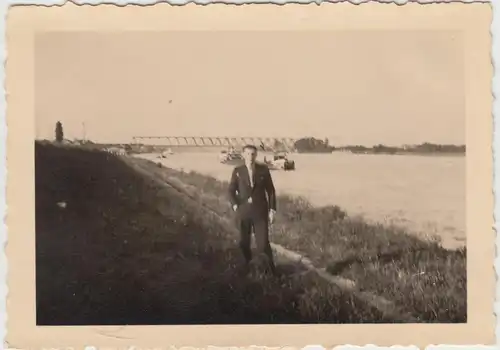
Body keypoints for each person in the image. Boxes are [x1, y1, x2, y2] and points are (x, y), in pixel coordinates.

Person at [228, 144, 277, 275]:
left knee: (263, 244)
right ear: (243, 155)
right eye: (248, 154)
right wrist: (235, 205)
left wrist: (272, 210)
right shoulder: (237, 171)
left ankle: (270, 272)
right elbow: (231, 190)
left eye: (253, 154)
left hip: (260, 213)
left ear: (256, 155)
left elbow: (271, 191)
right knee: (244, 243)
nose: (251, 157)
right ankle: (248, 268)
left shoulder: (264, 170)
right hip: (243, 213)